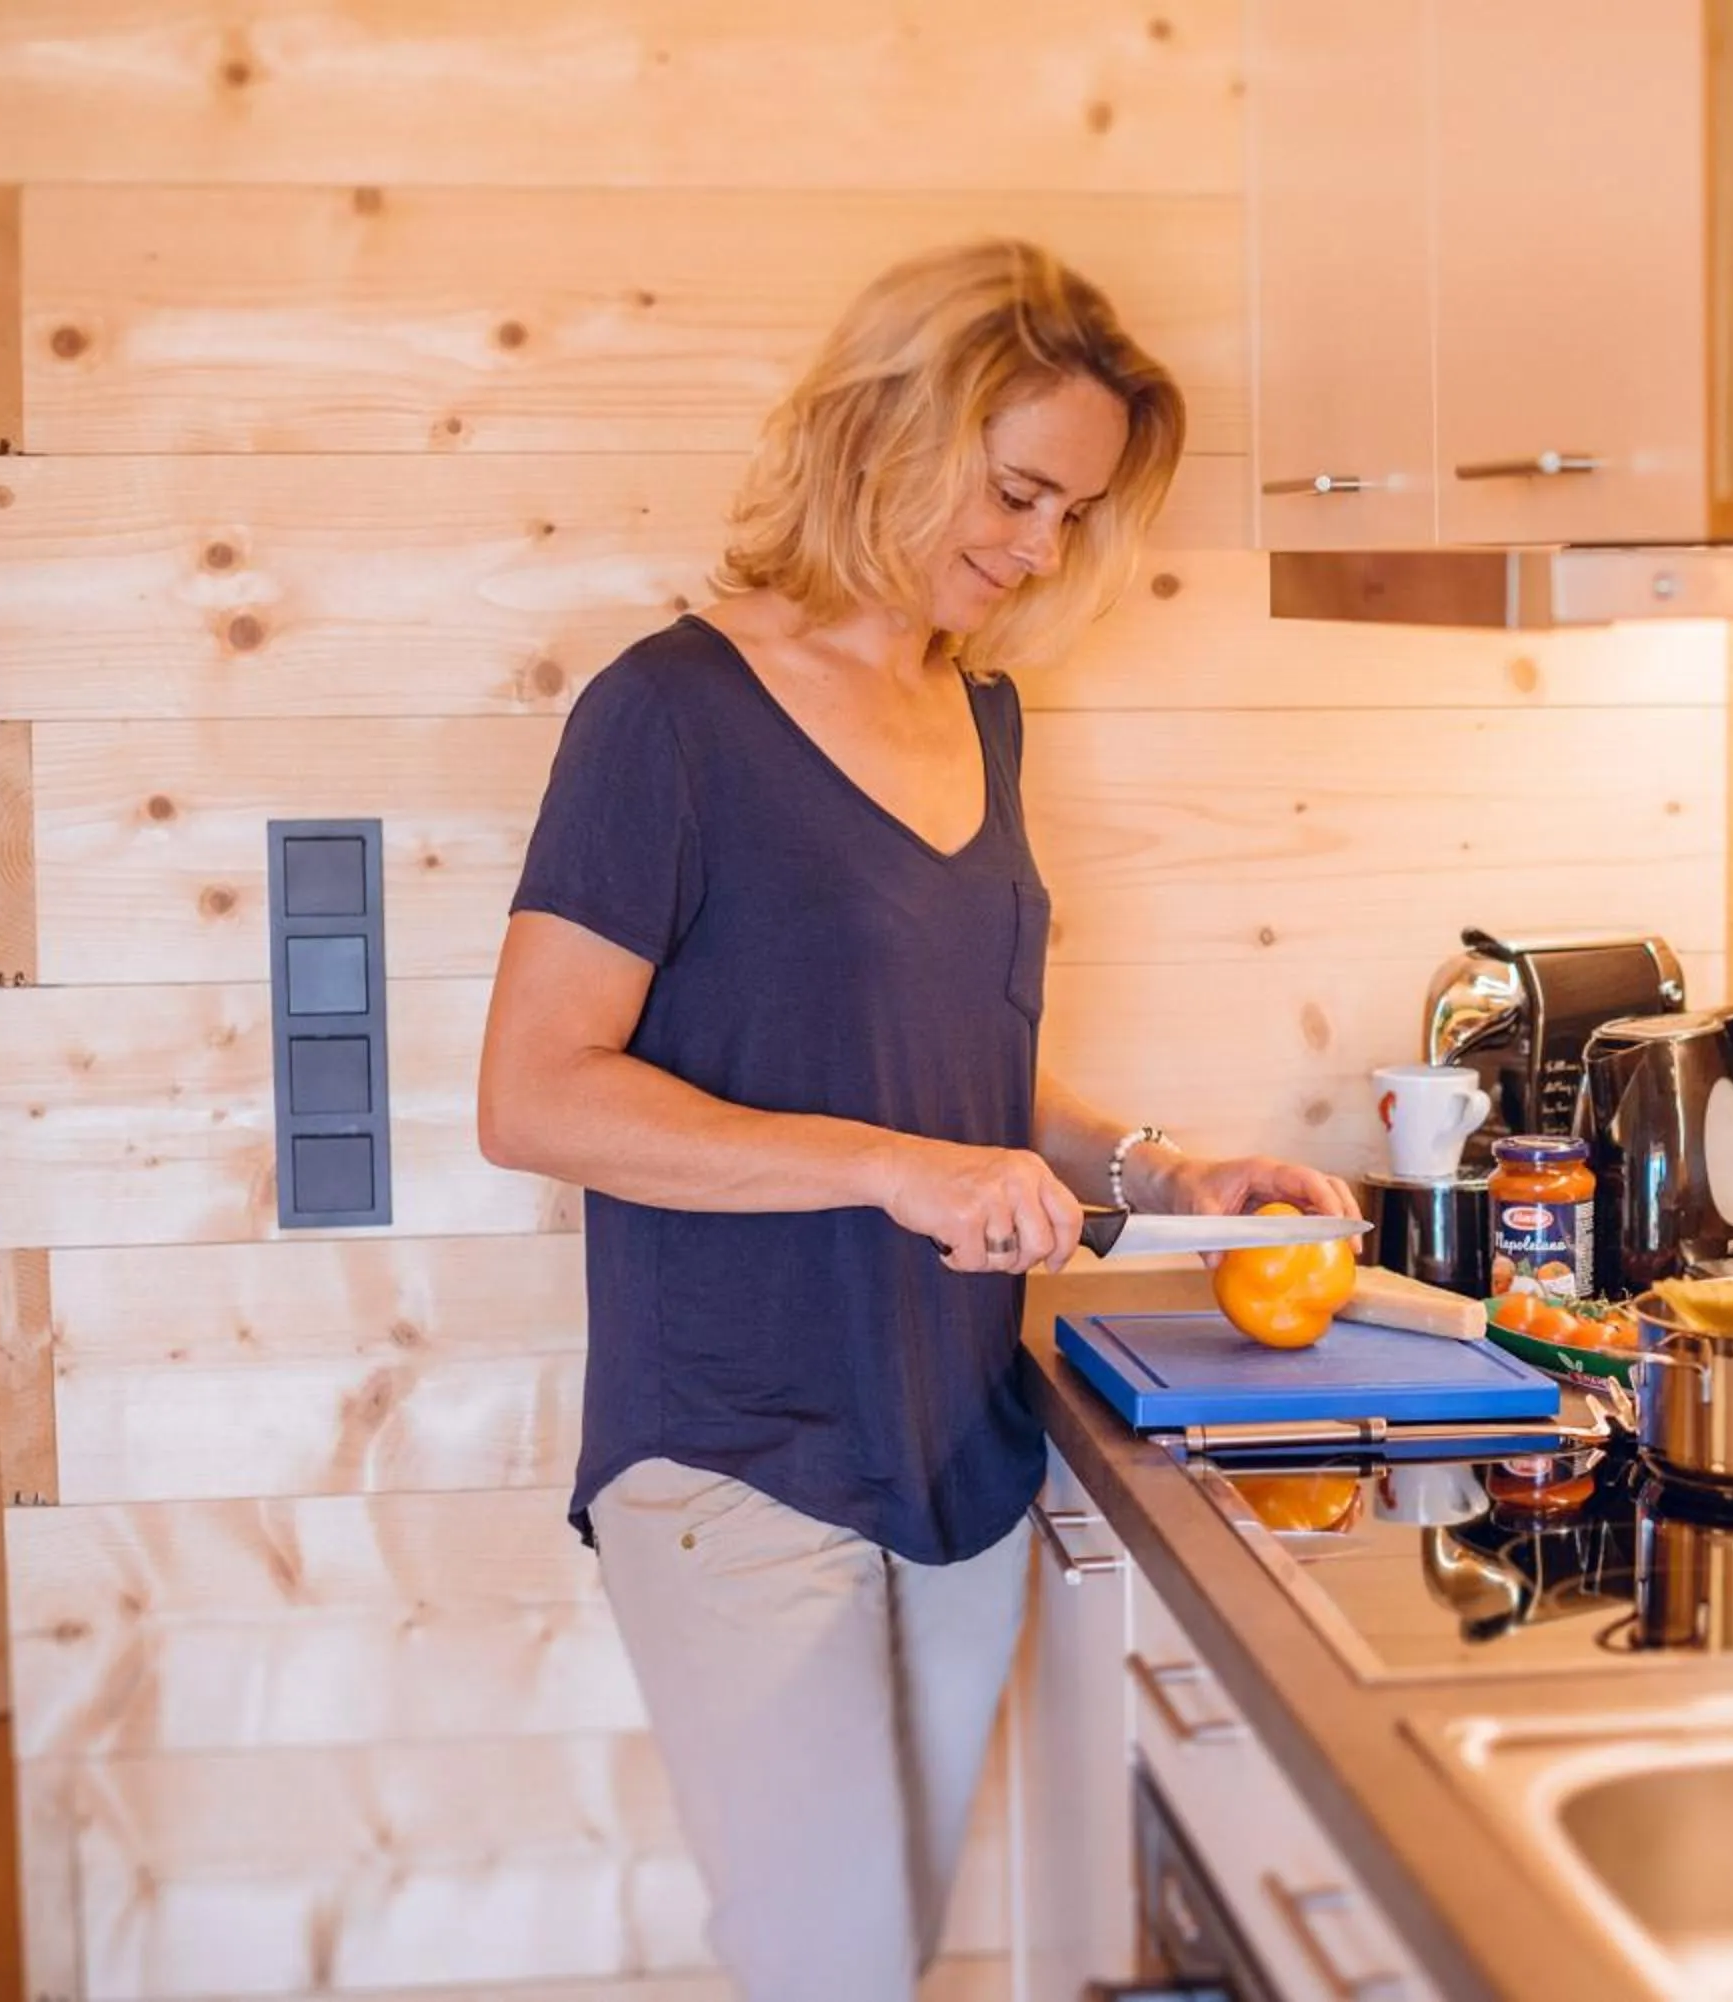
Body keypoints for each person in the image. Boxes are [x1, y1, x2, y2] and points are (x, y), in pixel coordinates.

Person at [476, 240, 1356, 2002]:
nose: (1038, 548)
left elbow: (950, 1058)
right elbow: (536, 1093)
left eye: (1072, 514)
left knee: (879, 1950)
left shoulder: (985, 715)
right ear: (889, 423)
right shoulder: (668, 716)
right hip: (737, 1449)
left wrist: (1158, 1171)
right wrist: (893, 1170)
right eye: (1020, 489)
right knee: (839, 1968)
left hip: (957, 1439)